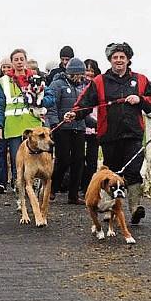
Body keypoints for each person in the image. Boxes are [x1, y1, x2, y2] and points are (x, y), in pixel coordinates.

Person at [66, 42, 151, 224]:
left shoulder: (140, 80)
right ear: (110, 60)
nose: (118, 60)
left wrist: (139, 99)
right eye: (115, 57)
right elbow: (85, 102)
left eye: (122, 57)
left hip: (133, 134)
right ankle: (110, 208)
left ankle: (134, 208)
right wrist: (74, 113)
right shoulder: (99, 81)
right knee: (112, 173)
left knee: (132, 171)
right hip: (109, 135)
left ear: (128, 60)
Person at [0, 48, 42, 193]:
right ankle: (18, 183)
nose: (19, 62)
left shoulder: (36, 78)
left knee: (33, 157)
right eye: (16, 60)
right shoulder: (3, 82)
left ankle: (31, 185)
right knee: (16, 159)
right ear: (12, 62)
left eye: (22, 59)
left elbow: (49, 98)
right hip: (13, 127)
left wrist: (41, 100)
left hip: (33, 126)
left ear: (26, 60)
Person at [46, 58, 88, 204]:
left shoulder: (84, 87)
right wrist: (54, 124)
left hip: (79, 128)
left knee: (78, 161)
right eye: (78, 75)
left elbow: (86, 108)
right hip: (62, 128)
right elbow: (51, 107)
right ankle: (52, 188)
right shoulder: (57, 85)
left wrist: (92, 124)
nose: (81, 78)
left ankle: (73, 194)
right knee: (63, 160)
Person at [80, 59, 102, 193]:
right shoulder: (79, 86)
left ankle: (89, 186)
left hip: (96, 125)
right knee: (79, 158)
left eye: (91, 71)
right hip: (82, 125)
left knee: (92, 158)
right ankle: (80, 185)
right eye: (86, 70)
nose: (88, 73)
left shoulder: (99, 85)